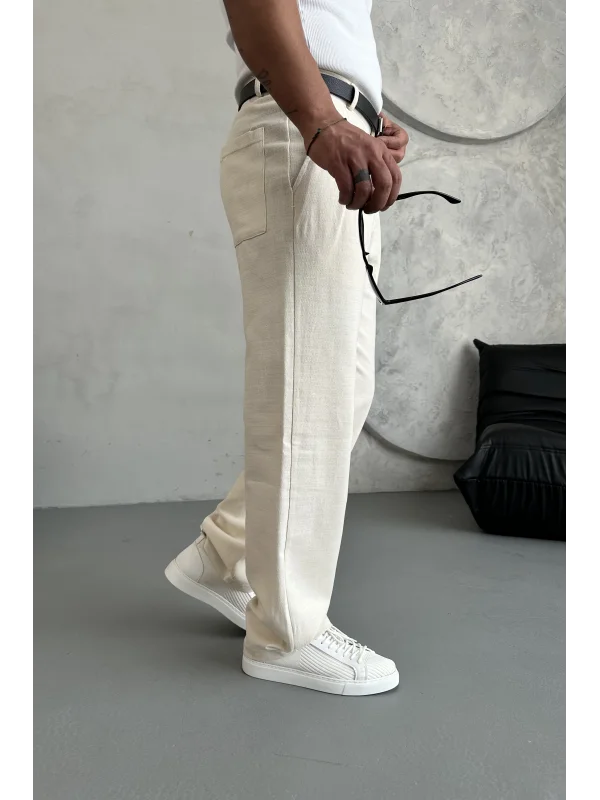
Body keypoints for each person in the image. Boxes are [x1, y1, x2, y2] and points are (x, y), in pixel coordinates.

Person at [165, 0, 409, 696]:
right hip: (303, 131)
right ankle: (287, 634)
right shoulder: (313, 123)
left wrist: (366, 110)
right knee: (307, 393)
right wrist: (324, 119)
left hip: (328, 125)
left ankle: (225, 557)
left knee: (341, 389)